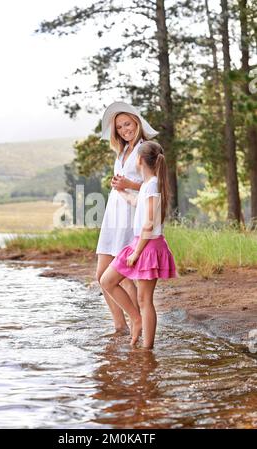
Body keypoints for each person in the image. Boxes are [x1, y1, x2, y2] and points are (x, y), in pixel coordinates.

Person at [101, 141, 177, 349]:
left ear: (139, 160)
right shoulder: (147, 185)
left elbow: (149, 223)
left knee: (145, 299)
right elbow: (137, 203)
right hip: (139, 242)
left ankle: (147, 349)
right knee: (107, 281)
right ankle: (136, 319)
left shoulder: (152, 186)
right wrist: (121, 191)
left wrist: (137, 252)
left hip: (148, 246)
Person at [96, 101, 159, 333]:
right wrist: (118, 184)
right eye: (120, 127)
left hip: (130, 215)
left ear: (137, 123)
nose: (125, 129)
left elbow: (153, 183)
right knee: (101, 274)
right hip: (113, 214)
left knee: (123, 276)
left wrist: (128, 183)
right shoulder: (122, 151)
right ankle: (120, 325)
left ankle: (136, 321)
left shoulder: (146, 148)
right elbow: (124, 183)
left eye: (128, 124)